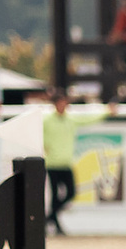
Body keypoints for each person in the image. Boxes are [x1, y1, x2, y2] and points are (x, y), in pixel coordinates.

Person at [42, 91, 80, 236]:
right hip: (52, 163)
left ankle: (50, 217)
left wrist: (107, 111)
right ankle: (55, 224)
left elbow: (88, 118)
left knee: (70, 193)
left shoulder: (70, 120)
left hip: (65, 162)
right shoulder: (47, 121)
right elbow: (39, 134)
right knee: (56, 196)